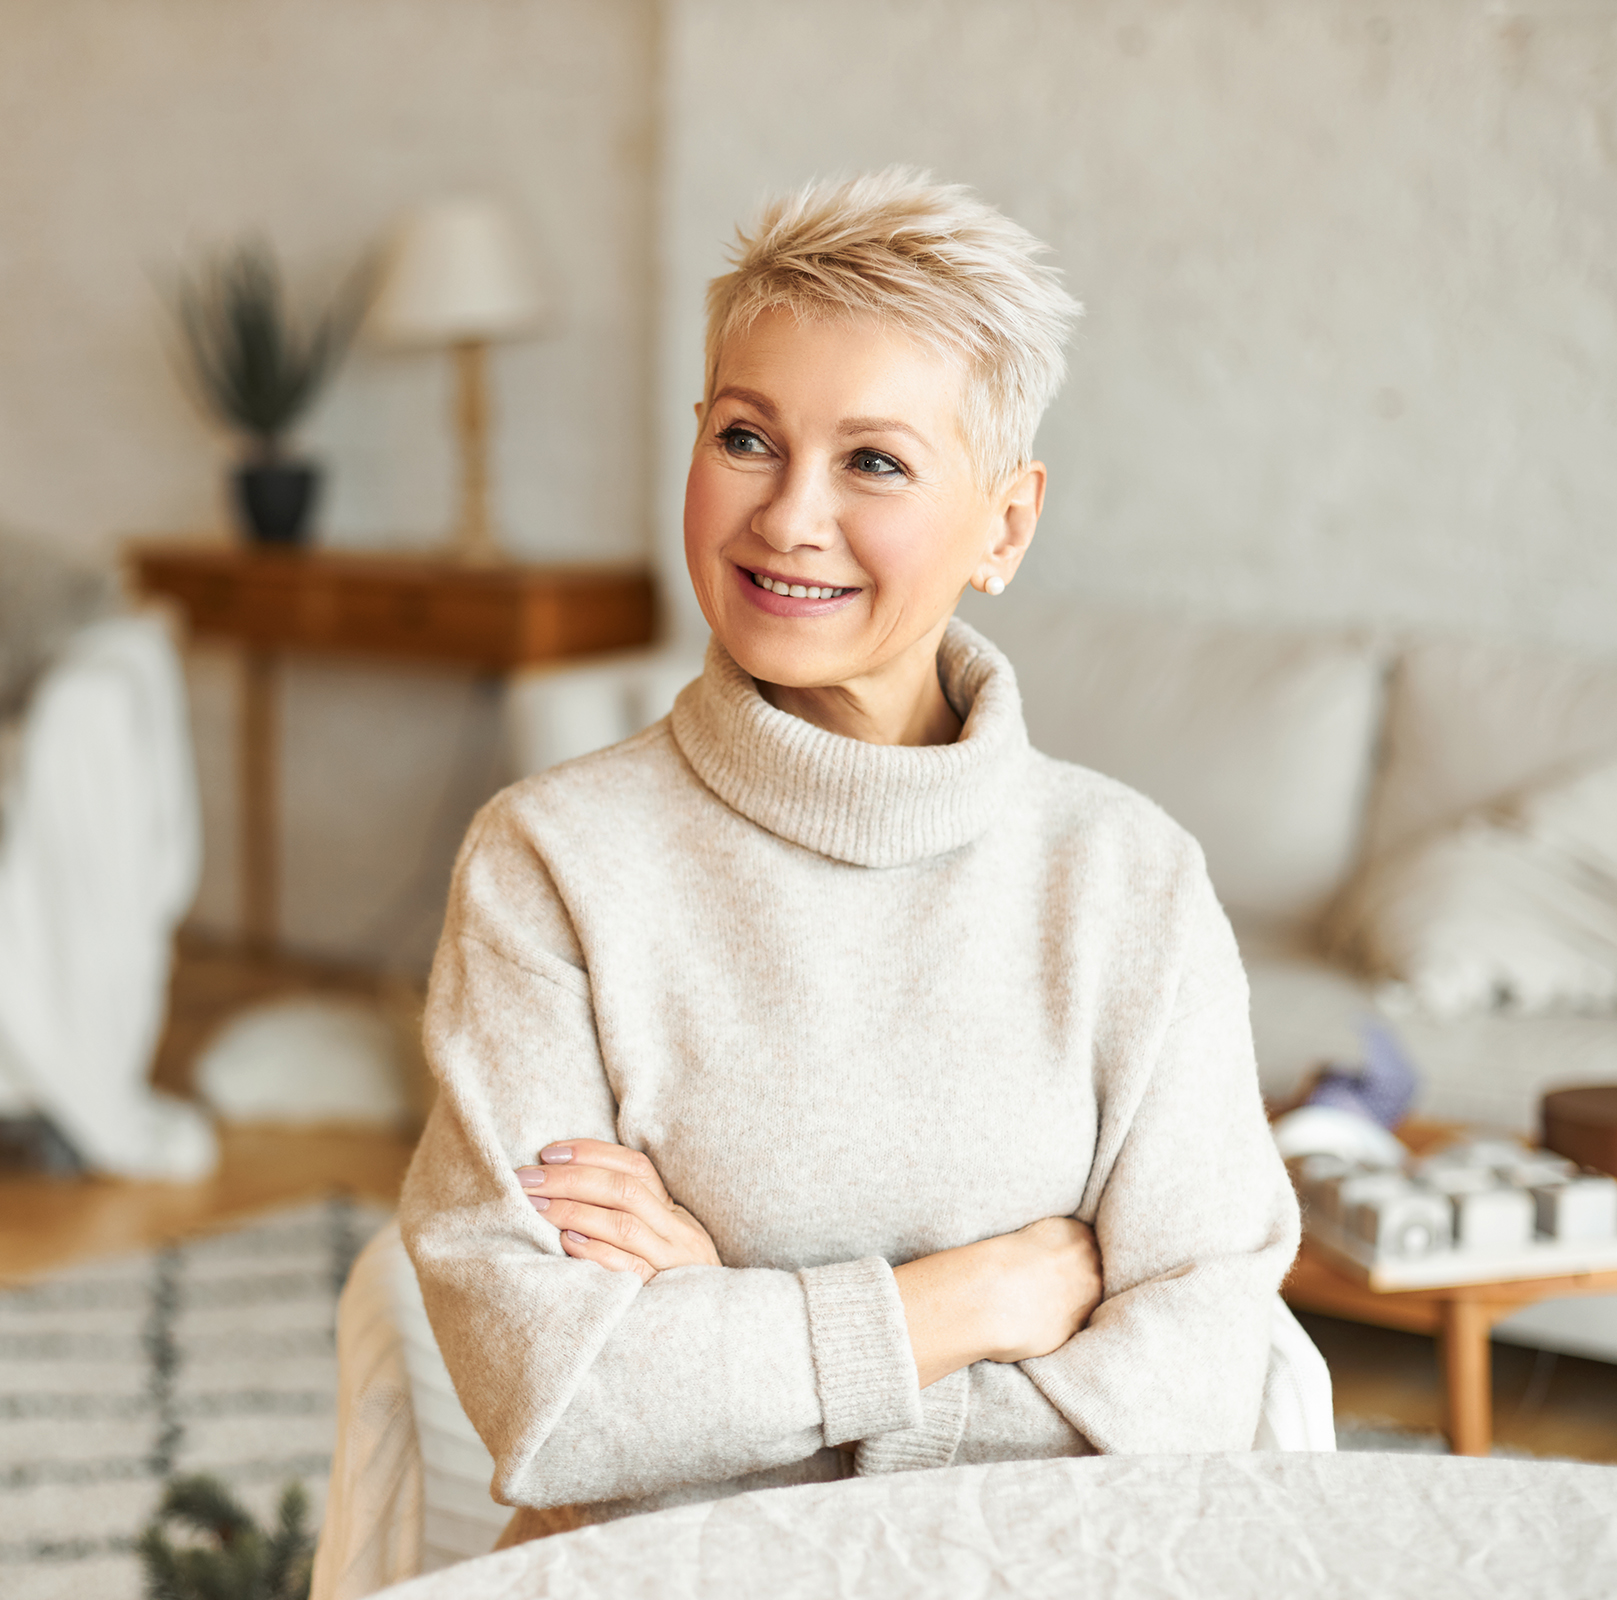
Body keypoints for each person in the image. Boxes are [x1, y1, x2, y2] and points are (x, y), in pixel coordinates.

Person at [397, 168, 1299, 1548]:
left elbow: (1197, 1385)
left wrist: (732, 1336)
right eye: (747, 438)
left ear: (1006, 524)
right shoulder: (551, 867)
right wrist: (972, 1303)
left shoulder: (1128, 883)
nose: (788, 517)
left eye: (873, 461)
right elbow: (559, 1399)